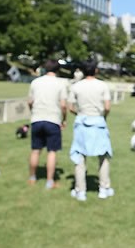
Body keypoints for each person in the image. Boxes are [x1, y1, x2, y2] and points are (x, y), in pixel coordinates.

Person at [68, 60, 114, 201]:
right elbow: (107, 107)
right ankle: (104, 188)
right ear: (96, 70)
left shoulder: (76, 86)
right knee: (103, 156)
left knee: (80, 157)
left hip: (82, 122)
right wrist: (102, 117)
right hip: (98, 122)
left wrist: (80, 114)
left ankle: (80, 190)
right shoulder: (102, 85)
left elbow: (70, 107)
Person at [27, 59, 67, 190]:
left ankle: (32, 177)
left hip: (37, 118)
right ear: (58, 69)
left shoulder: (35, 82)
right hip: (53, 119)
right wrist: (64, 119)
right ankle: (50, 181)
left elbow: (30, 101)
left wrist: (33, 112)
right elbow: (63, 105)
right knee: (52, 151)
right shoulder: (60, 84)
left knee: (35, 150)